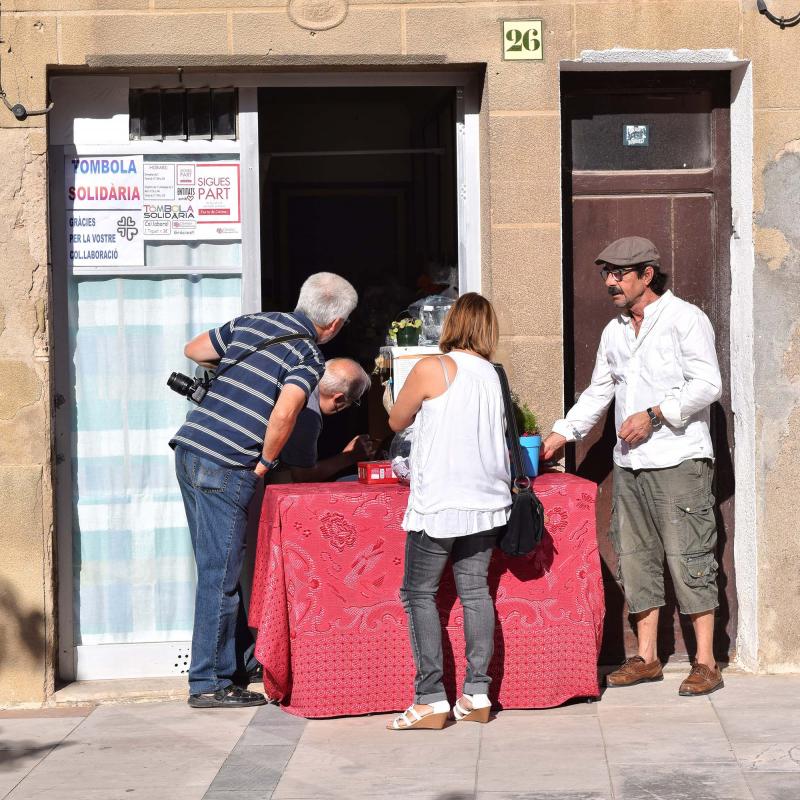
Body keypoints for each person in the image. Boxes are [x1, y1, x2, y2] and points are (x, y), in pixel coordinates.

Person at [541, 236, 724, 697]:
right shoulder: (615, 331)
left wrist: (655, 414)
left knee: (690, 558)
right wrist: (564, 433)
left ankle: (706, 661)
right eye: (607, 273)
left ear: (647, 274)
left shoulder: (685, 319)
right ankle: (646, 657)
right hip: (631, 465)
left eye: (620, 273)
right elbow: (599, 391)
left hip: (679, 459)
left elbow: (709, 384)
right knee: (637, 559)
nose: (610, 282)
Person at [170, 272, 358, 709]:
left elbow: (194, 350)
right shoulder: (307, 355)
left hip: (191, 447)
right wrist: (265, 462)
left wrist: (238, 378)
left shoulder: (253, 323)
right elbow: (287, 411)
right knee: (222, 574)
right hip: (230, 461)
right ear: (334, 325)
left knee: (218, 568)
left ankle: (234, 664)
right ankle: (208, 683)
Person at [386, 292, 512, 730]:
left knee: (419, 594)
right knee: (476, 592)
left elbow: (396, 421)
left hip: (441, 502)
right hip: (487, 501)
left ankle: (430, 698)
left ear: (451, 323)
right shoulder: (494, 375)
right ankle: (477, 694)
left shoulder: (430, 367)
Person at [269, 358, 377, 483]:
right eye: (354, 401)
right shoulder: (309, 414)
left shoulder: (301, 376)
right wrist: (349, 456)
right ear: (339, 398)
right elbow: (302, 477)